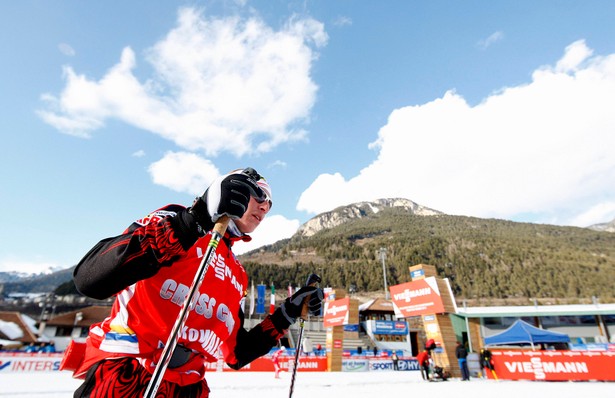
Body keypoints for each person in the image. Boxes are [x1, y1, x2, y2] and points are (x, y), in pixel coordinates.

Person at [65, 167, 324, 398]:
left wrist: (287, 314)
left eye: (270, 203)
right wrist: (195, 219)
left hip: (189, 386)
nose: (265, 206)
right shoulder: (178, 219)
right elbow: (90, 279)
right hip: (130, 374)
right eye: (259, 194)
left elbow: (236, 353)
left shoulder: (237, 273)